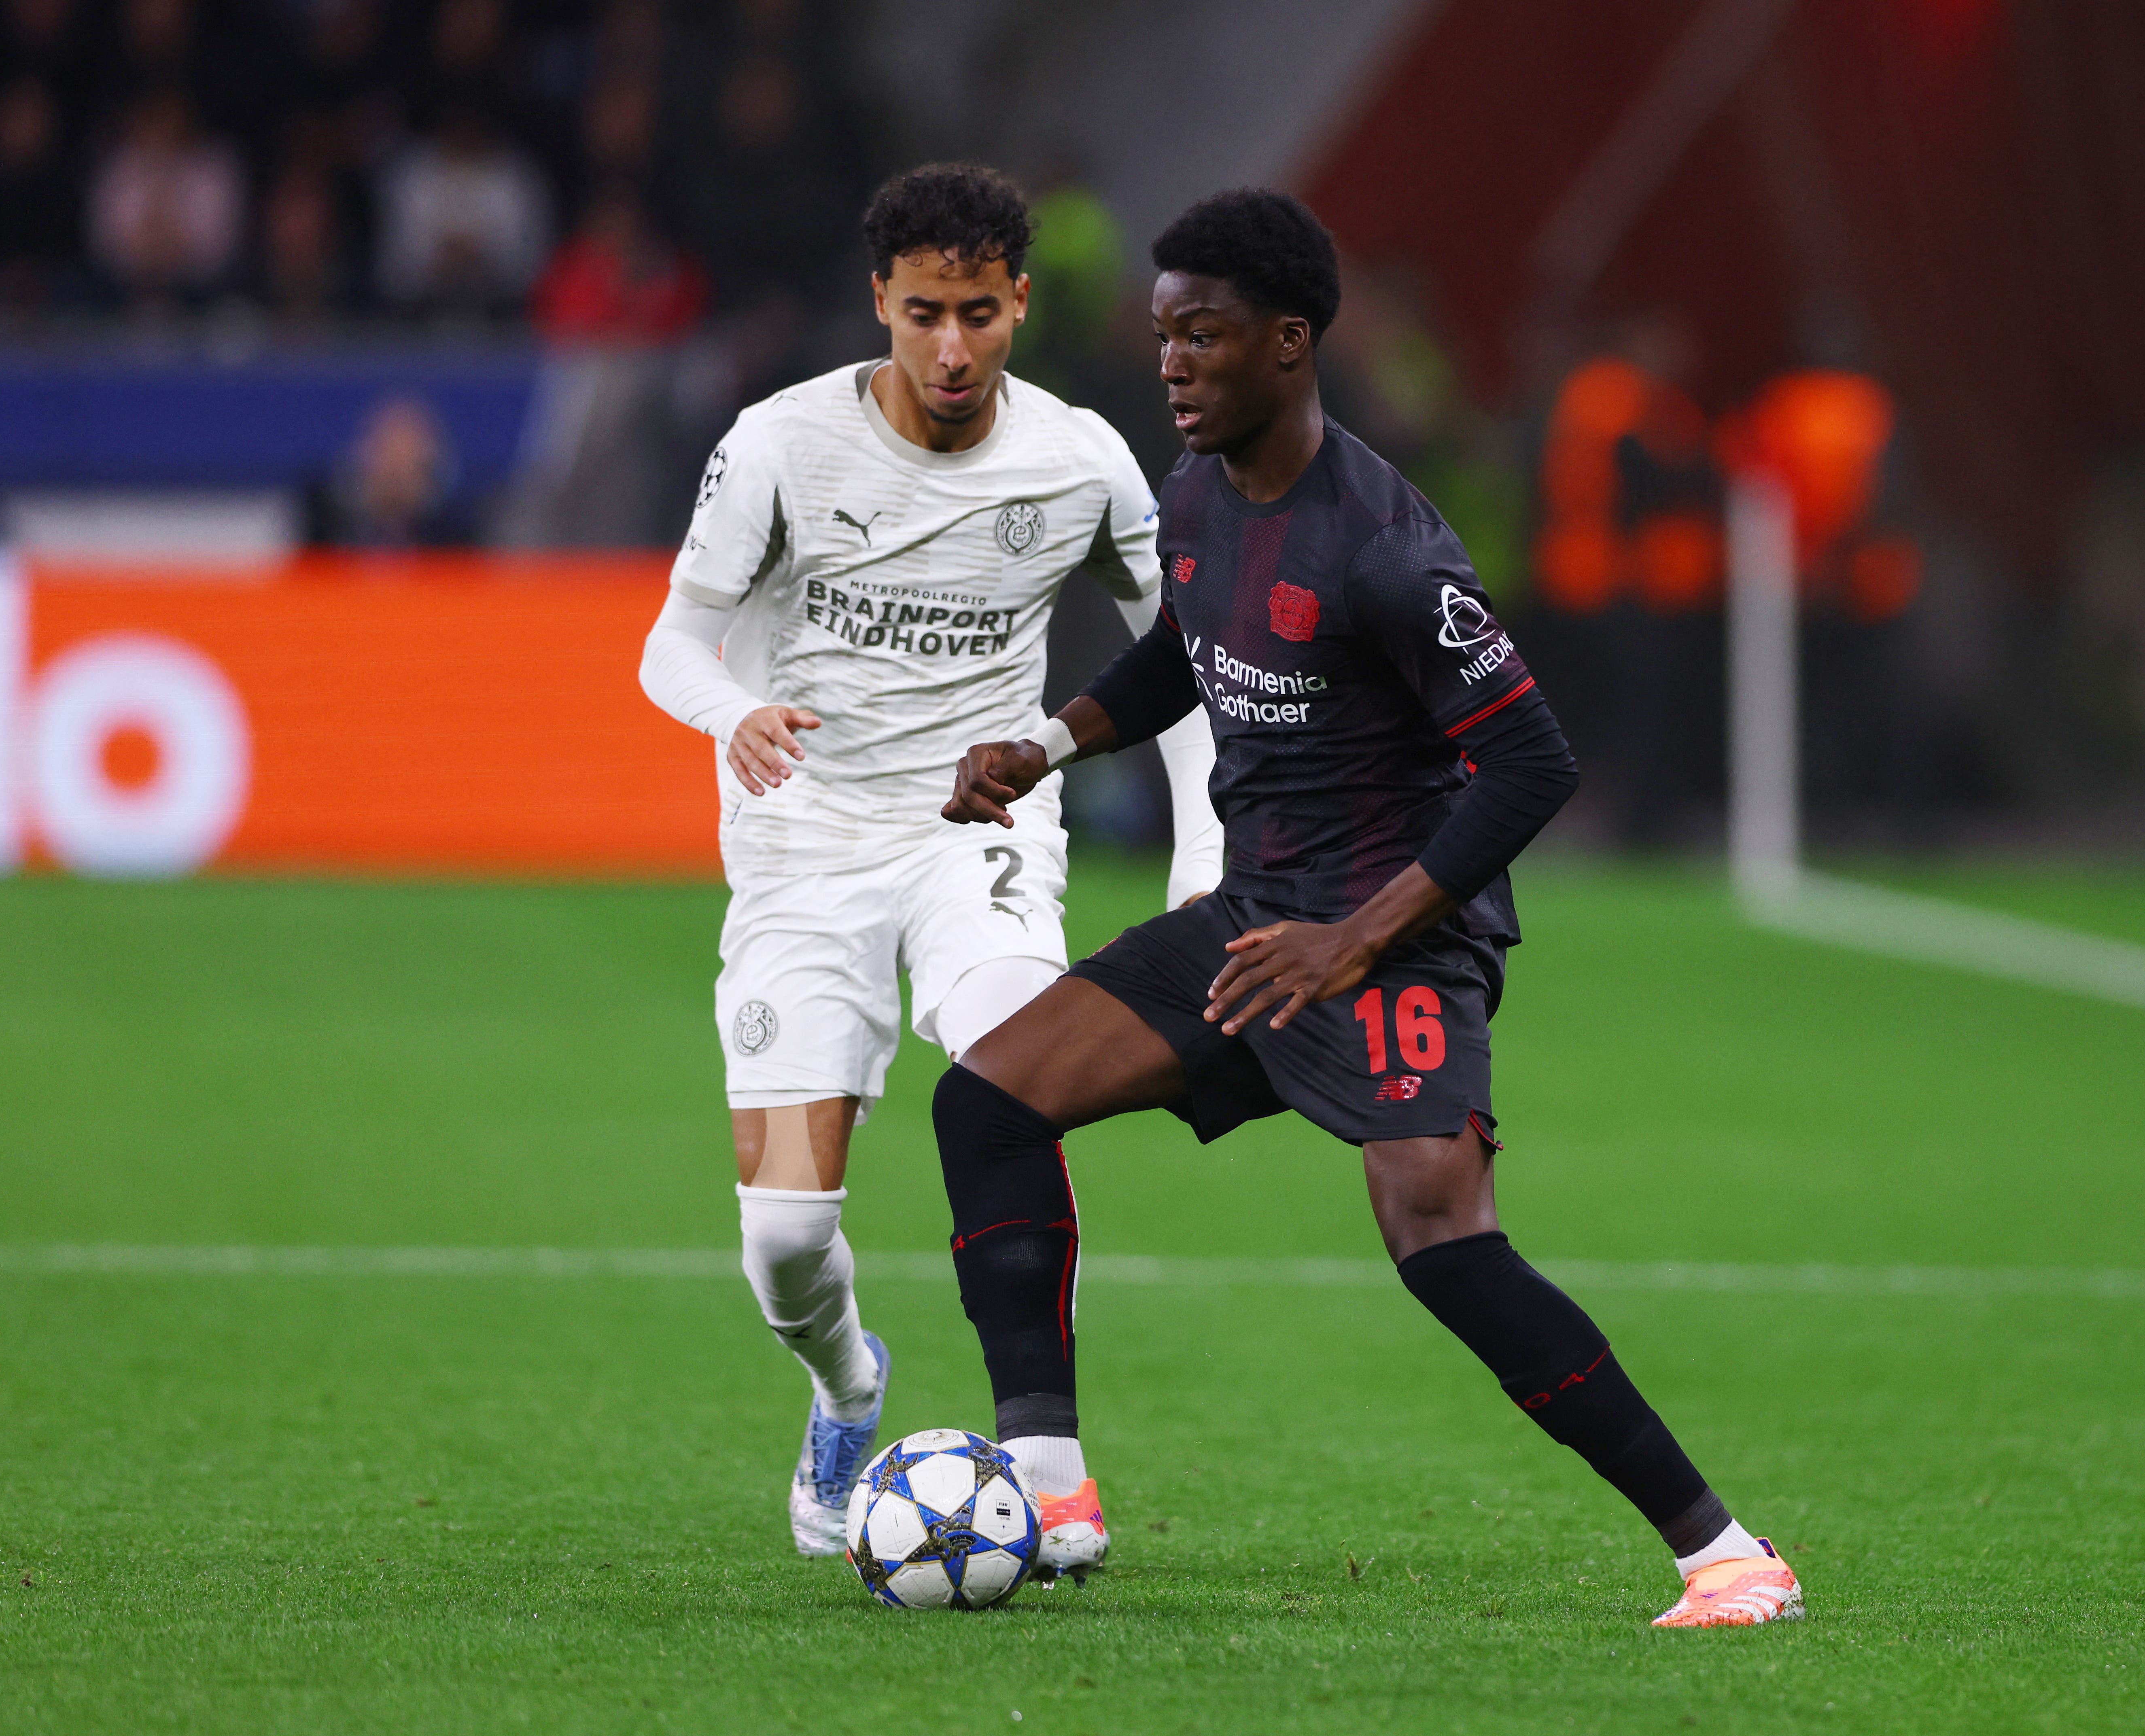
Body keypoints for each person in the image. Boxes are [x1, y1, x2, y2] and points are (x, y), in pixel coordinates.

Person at [930, 189, 1805, 1624]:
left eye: (1201, 336)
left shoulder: (1390, 548)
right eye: (1163, 336)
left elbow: (1534, 759)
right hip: (1265, 923)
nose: (1173, 363)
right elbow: (1177, 656)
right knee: (991, 1100)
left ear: (1289, 343)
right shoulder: (1201, 496)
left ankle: (1725, 1552)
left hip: (1393, 934)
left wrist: (1359, 936)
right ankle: (1052, 1483)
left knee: (1441, 1240)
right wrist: (1051, 740)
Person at [636, 163, 1222, 1556]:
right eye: (921, 315)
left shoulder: (1081, 460)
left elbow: (1193, 655)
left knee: (1017, 1080)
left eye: (977, 312)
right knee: (784, 1241)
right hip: (804, 846)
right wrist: (737, 714)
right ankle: (849, 1388)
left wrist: (1201, 857)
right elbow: (672, 641)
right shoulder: (780, 443)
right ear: (879, 307)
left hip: (984, 832)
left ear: (1019, 301)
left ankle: (1048, 1456)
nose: (950, 349)